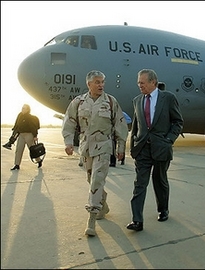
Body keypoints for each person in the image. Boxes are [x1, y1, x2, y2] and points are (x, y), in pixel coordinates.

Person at [62, 70, 129, 236]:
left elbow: (120, 125)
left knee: (97, 180)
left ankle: (91, 220)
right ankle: (103, 204)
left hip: (104, 146)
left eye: (102, 82)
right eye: (97, 82)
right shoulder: (78, 102)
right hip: (85, 148)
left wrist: (121, 146)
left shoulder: (111, 102)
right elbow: (69, 121)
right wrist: (69, 142)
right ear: (89, 84)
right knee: (91, 179)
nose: (101, 85)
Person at [126, 69, 183, 232]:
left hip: (161, 148)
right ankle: (137, 220)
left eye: (142, 82)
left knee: (160, 181)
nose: (139, 85)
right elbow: (136, 126)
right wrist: (133, 147)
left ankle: (163, 209)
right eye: (138, 82)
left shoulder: (168, 98)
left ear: (153, 82)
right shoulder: (137, 100)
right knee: (139, 184)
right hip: (142, 148)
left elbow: (178, 122)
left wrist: (169, 140)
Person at [4, 104, 43, 170]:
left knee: (33, 150)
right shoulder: (20, 115)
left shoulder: (30, 117)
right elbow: (17, 124)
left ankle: (39, 160)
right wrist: (14, 134)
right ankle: (17, 165)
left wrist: (35, 136)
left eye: (24, 108)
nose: (22, 109)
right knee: (19, 149)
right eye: (22, 108)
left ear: (28, 110)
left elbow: (33, 127)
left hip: (29, 135)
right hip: (21, 135)